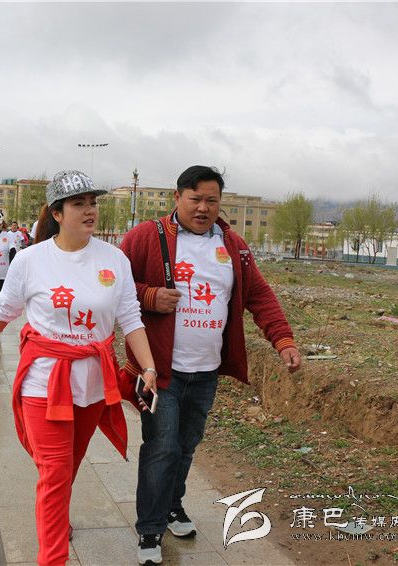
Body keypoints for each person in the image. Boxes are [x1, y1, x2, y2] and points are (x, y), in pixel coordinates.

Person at [0, 170, 157, 566]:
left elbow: (130, 317)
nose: (90, 211)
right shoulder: (31, 260)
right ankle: (52, 557)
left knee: (66, 468)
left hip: (91, 384)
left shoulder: (114, 259)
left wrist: (149, 368)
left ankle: (55, 518)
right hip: (44, 382)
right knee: (54, 474)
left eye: (93, 203)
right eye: (78, 204)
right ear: (56, 213)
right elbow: (4, 310)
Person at [120, 166, 301, 564]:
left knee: (185, 446)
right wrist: (148, 296)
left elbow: (259, 295)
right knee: (162, 447)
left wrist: (283, 339)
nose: (203, 208)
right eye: (195, 199)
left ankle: (172, 506)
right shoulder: (147, 237)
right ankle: (150, 529)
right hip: (158, 371)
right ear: (177, 197)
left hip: (205, 371)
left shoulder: (232, 245)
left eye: (212, 201)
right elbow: (111, 284)